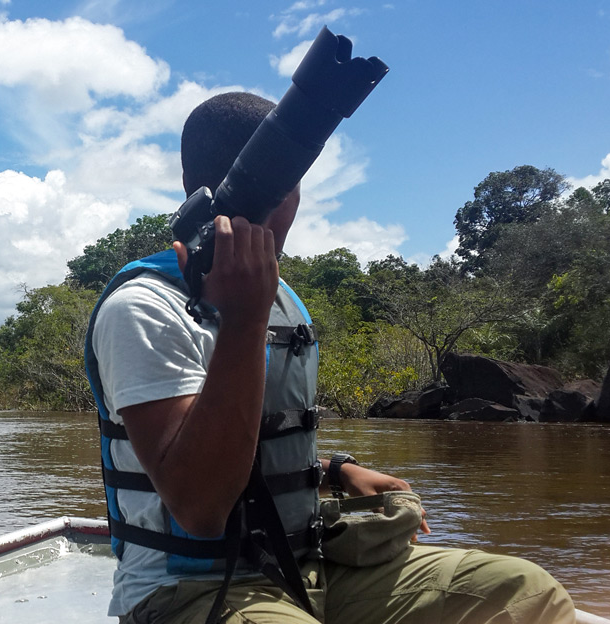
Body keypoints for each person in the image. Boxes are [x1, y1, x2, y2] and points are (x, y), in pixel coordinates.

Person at [84, 92, 577, 624]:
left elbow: (255, 448)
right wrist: (244, 321)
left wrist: (334, 469)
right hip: (189, 588)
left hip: (309, 565)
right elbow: (200, 507)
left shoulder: (281, 298)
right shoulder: (143, 308)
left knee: (523, 591)